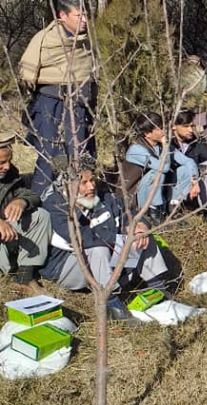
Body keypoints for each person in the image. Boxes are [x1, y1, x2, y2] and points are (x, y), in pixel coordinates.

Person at [41, 158, 171, 320]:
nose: (91, 186)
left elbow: (128, 212)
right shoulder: (56, 205)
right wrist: (120, 239)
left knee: (141, 236)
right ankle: (111, 304)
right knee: (98, 248)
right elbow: (80, 237)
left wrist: (139, 226)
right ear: (68, 184)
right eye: (84, 183)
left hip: (105, 262)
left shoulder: (102, 196)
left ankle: (159, 289)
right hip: (68, 268)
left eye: (92, 180)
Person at [19, 0, 96, 194]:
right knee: (50, 154)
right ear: (63, 16)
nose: (85, 20)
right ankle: (40, 198)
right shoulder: (45, 39)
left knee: (80, 152)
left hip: (78, 105)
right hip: (50, 105)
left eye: (86, 15)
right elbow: (26, 73)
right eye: (79, 15)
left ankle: (79, 195)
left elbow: (90, 71)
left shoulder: (86, 42)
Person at [124, 112, 199, 223]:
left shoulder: (160, 146)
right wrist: (165, 145)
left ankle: (173, 207)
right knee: (157, 173)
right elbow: (164, 168)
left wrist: (194, 181)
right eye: (159, 128)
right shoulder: (136, 150)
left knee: (184, 170)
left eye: (163, 127)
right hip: (135, 197)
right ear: (147, 134)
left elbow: (189, 162)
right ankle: (154, 213)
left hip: (156, 192)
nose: (164, 131)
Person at [0, 132, 50, 290]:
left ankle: (25, 277)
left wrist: (22, 201)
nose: (7, 167)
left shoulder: (9, 175)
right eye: (2, 162)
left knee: (40, 216)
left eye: (9, 161)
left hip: (6, 235)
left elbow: (30, 195)